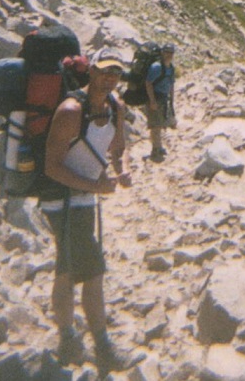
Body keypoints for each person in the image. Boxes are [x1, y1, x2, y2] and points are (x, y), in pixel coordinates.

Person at [41, 46, 140, 374]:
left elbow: (118, 147)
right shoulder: (70, 110)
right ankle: (101, 347)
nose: (110, 78)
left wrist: (122, 168)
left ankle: (70, 339)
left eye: (116, 72)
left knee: (69, 266)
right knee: (91, 270)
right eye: (104, 70)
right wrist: (96, 186)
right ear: (92, 71)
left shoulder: (116, 106)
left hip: (83, 195)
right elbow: (51, 167)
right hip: (61, 198)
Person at [145, 43, 176, 162]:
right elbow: (148, 83)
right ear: (162, 53)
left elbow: (172, 83)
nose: (169, 55)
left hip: (163, 98)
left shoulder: (170, 67)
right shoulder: (156, 67)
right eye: (166, 52)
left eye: (171, 53)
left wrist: (171, 99)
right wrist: (152, 100)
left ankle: (158, 146)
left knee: (160, 124)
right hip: (155, 97)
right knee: (155, 125)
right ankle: (155, 150)